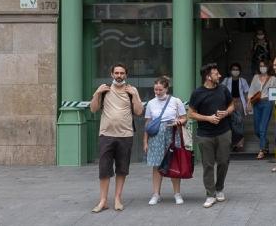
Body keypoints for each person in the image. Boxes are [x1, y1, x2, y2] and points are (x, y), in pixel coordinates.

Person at [89, 63, 144, 213]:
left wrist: (134, 95)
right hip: (106, 135)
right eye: (117, 73)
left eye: (122, 73)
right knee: (104, 169)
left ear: (126, 75)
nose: (119, 76)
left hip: (125, 135)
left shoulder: (131, 90)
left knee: (122, 169)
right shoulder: (104, 90)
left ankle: (118, 199)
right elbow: (93, 109)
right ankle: (103, 201)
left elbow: (139, 112)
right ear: (112, 74)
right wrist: (97, 93)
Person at [188, 63, 235, 208]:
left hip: (224, 131)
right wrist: (208, 118)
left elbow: (232, 105)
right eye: (216, 74)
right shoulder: (197, 93)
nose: (219, 75)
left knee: (223, 162)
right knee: (208, 165)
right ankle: (210, 194)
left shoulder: (223, 89)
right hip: (205, 134)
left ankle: (219, 188)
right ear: (208, 77)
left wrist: (226, 112)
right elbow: (191, 114)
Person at [143, 76, 187, 206]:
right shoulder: (151, 103)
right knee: (156, 165)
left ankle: (177, 193)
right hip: (156, 136)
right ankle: (156, 194)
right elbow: (148, 123)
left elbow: (184, 118)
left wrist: (179, 122)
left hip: (172, 134)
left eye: (160, 90)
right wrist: (145, 141)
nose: (157, 92)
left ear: (166, 89)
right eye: (155, 89)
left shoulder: (176, 101)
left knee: (174, 163)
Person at [248, 59, 276, 159]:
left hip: (267, 103)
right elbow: (251, 90)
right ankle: (265, 142)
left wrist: (275, 102)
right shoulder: (255, 77)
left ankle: (261, 150)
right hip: (256, 103)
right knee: (257, 129)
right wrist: (248, 103)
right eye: (261, 66)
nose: (262, 68)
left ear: (268, 67)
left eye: (264, 66)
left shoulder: (272, 78)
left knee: (262, 128)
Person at [221, 62, 250, 152]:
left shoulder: (243, 81)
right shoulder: (226, 80)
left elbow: (246, 93)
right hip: (229, 104)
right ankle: (232, 143)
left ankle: (240, 144)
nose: (235, 71)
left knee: (240, 122)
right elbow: (221, 91)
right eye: (233, 69)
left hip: (240, 103)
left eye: (237, 69)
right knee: (230, 123)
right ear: (230, 71)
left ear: (240, 71)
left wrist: (248, 105)